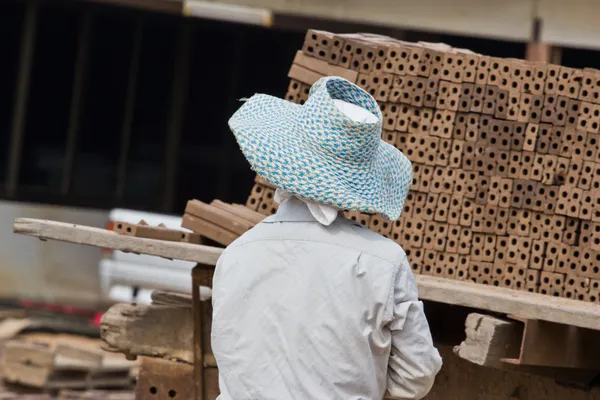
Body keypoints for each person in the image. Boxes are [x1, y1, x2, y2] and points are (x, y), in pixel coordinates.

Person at [211, 76, 442, 400]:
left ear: (283, 169)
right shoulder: (383, 262)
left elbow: (229, 355)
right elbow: (416, 376)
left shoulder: (236, 254)